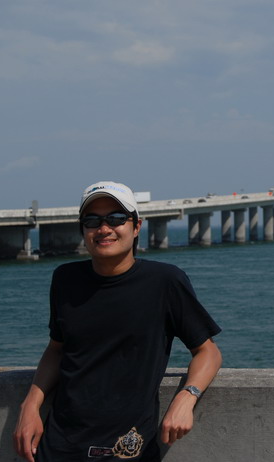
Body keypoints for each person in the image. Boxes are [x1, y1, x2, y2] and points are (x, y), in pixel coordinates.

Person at [13, 181, 222, 461]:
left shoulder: (165, 282)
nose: (104, 228)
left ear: (136, 226)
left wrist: (187, 397)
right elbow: (57, 349)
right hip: (60, 444)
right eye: (92, 220)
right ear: (83, 230)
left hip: (128, 447)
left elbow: (207, 351)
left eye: (116, 218)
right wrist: (31, 405)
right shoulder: (65, 279)